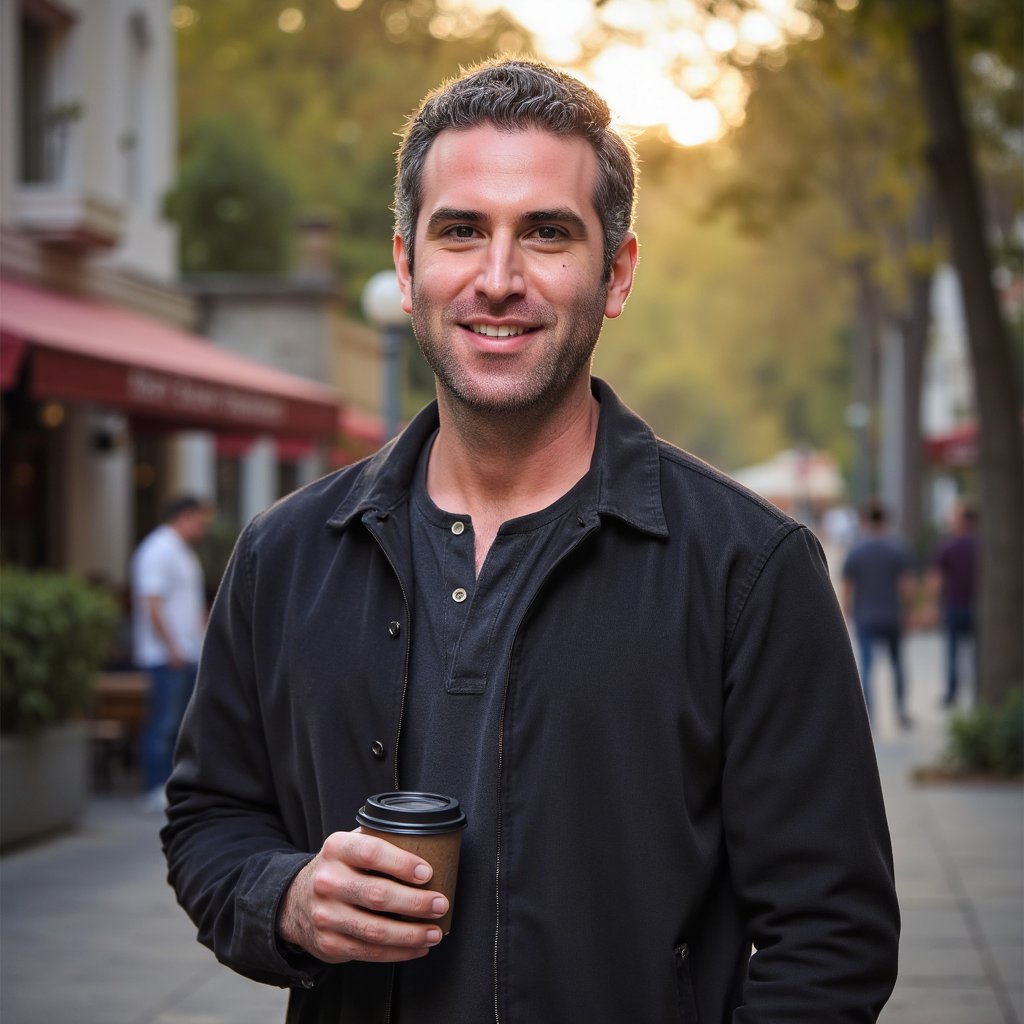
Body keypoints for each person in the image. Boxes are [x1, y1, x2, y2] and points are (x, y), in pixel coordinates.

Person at [163, 59, 899, 1022]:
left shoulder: (748, 567)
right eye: (461, 231)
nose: (498, 279)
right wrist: (287, 899)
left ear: (617, 271)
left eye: (547, 233)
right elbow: (211, 818)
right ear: (405, 264)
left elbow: (832, 933)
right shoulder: (285, 555)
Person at [131, 494, 211, 810]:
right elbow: (151, 601)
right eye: (200, 521)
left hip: (187, 653)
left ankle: (171, 786)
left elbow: (192, 605)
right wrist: (171, 647)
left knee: (180, 724)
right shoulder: (158, 549)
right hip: (168, 656)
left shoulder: (181, 552)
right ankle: (154, 786)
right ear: (185, 516)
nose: (203, 529)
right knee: (163, 723)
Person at [841, 498, 916, 729]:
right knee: (897, 665)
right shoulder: (897, 548)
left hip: (866, 616)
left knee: (866, 667)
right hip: (892, 615)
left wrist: (847, 614)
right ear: (885, 520)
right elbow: (907, 586)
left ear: (864, 520)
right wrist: (909, 612)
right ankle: (901, 712)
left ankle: (869, 717)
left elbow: (847, 587)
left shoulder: (856, 550)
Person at [927, 499, 978, 708]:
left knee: (953, 652)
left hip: (954, 605)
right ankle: (978, 690)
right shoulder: (983, 545)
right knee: (977, 652)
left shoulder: (947, 546)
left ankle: (952, 693)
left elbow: (936, 579)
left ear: (960, 521)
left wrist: (932, 605)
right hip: (977, 606)